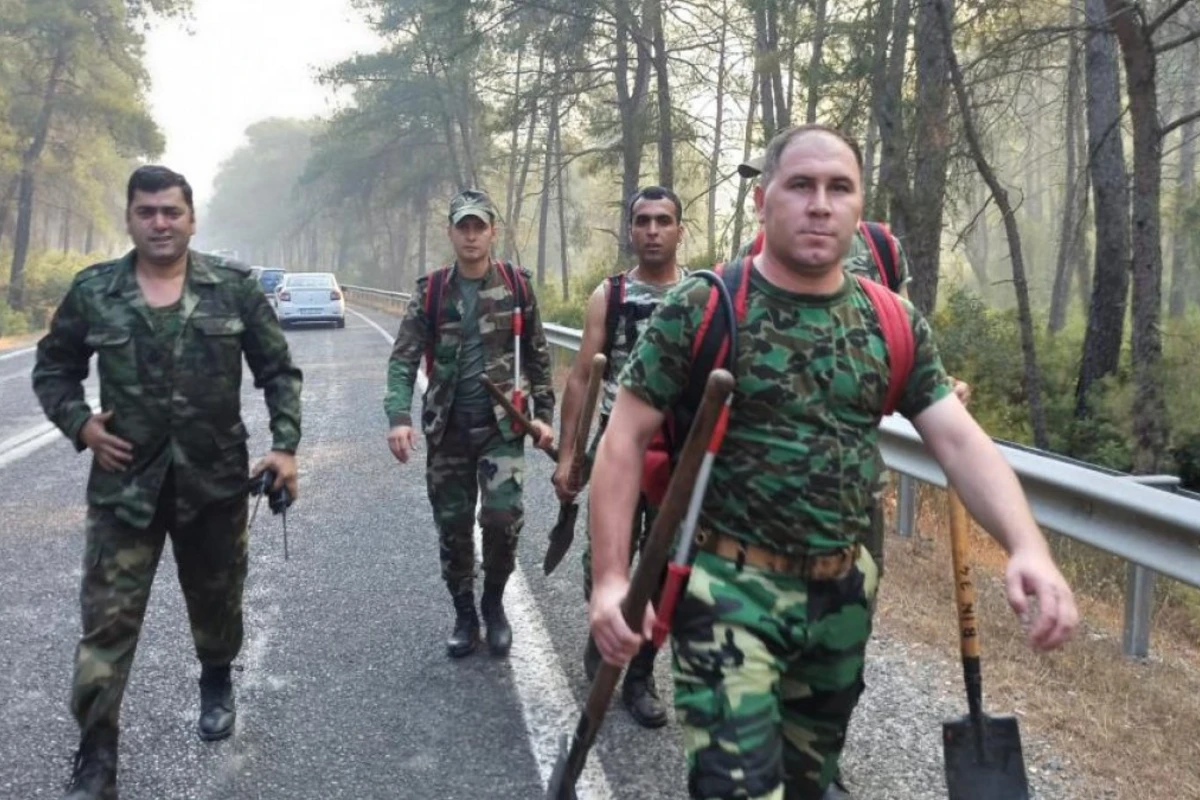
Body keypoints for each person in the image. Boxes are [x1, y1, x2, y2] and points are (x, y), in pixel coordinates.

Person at [587, 125, 1078, 800]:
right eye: (801, 186)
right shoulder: (706, 306)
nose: (820, 204)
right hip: (729, 589)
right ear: (763, 201)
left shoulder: (891, 321)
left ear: (858, 205)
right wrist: (611, 579)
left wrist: (1026, 545)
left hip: (842, 595)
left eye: (838, 187)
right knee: (737, 788)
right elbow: (622, 442)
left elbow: (960, 442)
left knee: (809, 784)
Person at [33, 165, 303, 800]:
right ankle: (97, 757)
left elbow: (278, 371)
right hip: (124, 490)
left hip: (213, 485)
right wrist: (81, 427)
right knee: (106, 625)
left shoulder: (232, 289)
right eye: (147, 211)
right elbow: (54, 369)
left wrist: (285, 446)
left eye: (171, 212)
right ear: (129, 218)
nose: (160, 222)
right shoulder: (95, 291)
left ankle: (216, 675)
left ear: (190, 218)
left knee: (217, 602)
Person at [385, 188, 555, 659]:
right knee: (454, 527)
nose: (472, 235)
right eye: (464, 226)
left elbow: (540, 357)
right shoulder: (433, 290)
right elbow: (401, 361)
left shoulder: (516, 285)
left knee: (502, 521)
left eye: (480, 226)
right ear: (451, 232)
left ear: (493, 231)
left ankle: (493, 604)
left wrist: (544, 418)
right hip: (448, 432)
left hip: (503, 431)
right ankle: (464, 614)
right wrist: (399, 417)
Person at [552, 185, 686, 728]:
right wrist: (568, 456)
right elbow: (583, 377)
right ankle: (605, 634)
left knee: (664, 569)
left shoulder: (699, 294)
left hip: (677, 452)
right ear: (630, 230)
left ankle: (640, 676)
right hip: (617, 446)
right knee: (604, 563)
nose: (652, 231)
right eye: (643, 221)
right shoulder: (609, 295)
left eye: (663, 221)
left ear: (679, 229)